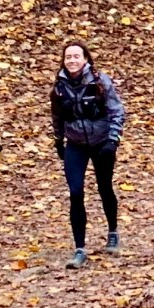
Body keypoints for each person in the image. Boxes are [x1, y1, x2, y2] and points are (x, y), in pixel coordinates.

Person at [51, 41, 126, 267]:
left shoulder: (100, 81)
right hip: (75, 143)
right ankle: (79, 249)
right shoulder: (59, 86)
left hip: (102, 141)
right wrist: (58, 141)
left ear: (85, 59)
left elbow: (116, 111)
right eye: (68, 57)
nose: (72, 60)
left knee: (104, 187)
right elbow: (57, 116)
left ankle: (112, 230)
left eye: (76, 56)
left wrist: (112, 140)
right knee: (75, 193)